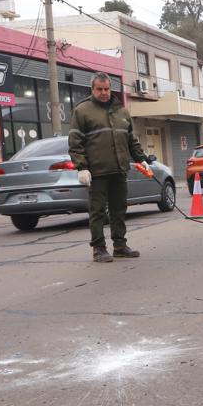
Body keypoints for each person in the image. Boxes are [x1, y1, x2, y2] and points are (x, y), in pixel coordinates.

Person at [69, 72, 150, 263]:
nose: (104, 93)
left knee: (119, 209)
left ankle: (120, 246)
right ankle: (98, 249)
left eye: (107, 89)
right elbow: (75, 142)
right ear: (92, 89)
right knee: (97, 211)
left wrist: (141, 159)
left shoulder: (121, 110)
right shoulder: (82, 111)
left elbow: (131, 140)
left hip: (119, 169)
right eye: (100, 89)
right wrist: (81, 167)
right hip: (96, 172)